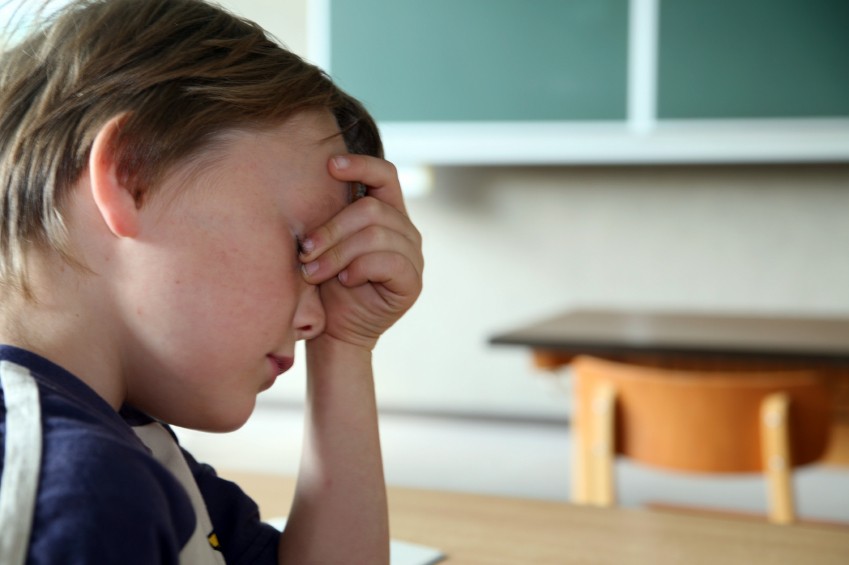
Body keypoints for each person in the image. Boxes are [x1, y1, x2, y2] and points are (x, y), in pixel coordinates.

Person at [0, 0, 423, 563]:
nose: (316, 316)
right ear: (133, 177)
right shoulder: (79, 489)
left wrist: (346, 346)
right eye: (305, 246)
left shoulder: (127, 439)